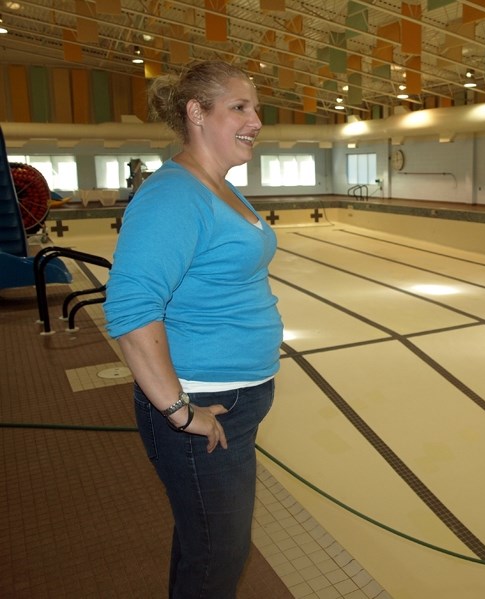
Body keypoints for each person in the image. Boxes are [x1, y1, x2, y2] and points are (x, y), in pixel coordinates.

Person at [104, 60, 283, 598]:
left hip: (231, 401)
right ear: (196, 113)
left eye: (255, 107)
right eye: (239, 107)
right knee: (219, 559)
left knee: (206, 545)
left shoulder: (217, 187)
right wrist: (181, 414)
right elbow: (133, 311)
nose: (256, 119)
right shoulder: (174, 195)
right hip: (205, 405)